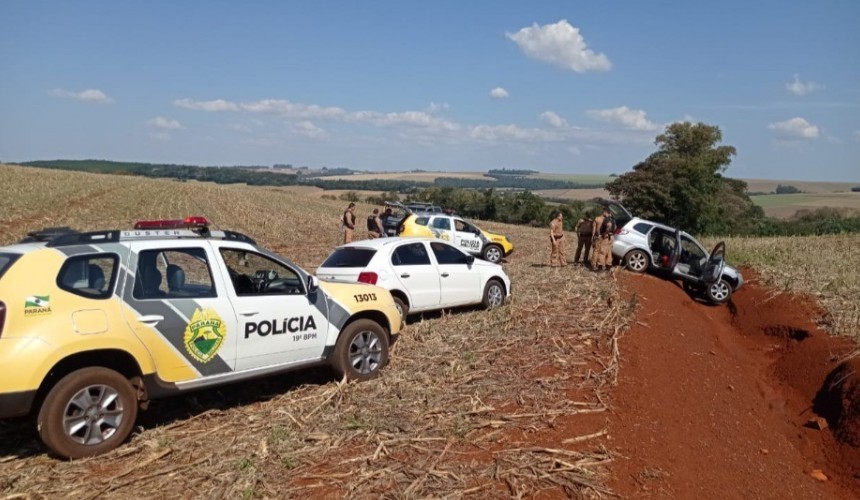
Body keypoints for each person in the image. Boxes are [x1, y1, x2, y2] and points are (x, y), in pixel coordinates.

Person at [591, 207, 615, 272]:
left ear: (604, 211)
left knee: (597, 251)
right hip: (610, 237)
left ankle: (595, 264)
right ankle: (607, 265)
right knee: (608, 251)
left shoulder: (598, 219)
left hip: (601, 236)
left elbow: (594, 229)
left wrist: (594, 236)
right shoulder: (612, 219)